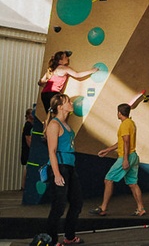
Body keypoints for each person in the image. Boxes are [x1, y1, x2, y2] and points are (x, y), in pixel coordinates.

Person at [89, 103, 145, 217]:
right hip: (133, 155)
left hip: (127, 156)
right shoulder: (131, 123)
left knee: (108, 180)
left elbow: (126, 142)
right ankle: (140, 208)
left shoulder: (124, 125)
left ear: (119, 113)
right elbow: (121, 142)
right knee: (133, 183)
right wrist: (107, 150)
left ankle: (103, 208)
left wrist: (125, 159)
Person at [44, 94, 84, 245]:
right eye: (68, 102)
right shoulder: (54, 125)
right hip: (59, 167)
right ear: (60, 107)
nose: (72, 103)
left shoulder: (66, 124)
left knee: (77, 202)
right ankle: (52, 241)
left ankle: (69, 236)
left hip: (69, 166)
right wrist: (56, 174)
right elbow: (52, 151)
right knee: (59, 207)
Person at [21, 107, 34, 190]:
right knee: (28, 166)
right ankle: (23, 185)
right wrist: (32, 148)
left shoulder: (31, 125)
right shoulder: (28, 125)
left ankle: (25, 185)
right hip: (28, 148)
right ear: (28, 115)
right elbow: (28, 138)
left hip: (29, 147)